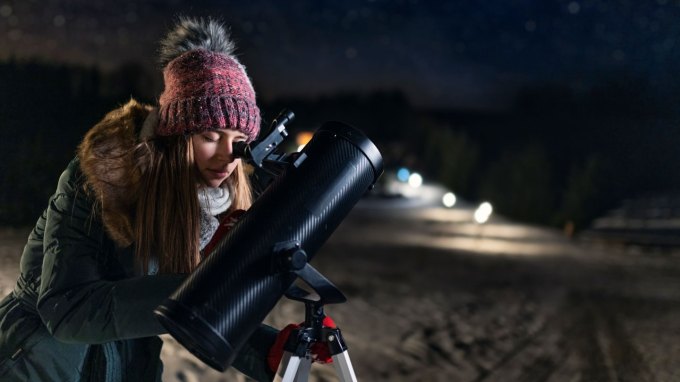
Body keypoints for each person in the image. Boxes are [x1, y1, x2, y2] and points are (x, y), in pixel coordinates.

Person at [0, 17, 321, 382]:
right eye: (210, 136)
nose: (225, 156)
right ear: (175, 135)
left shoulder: (215, 202)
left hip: (129, 365)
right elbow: (68, 310)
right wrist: (199, 288)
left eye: (237, 140)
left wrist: (271, 350)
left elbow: (198, 311)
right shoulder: (101, 178)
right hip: (37, 362)